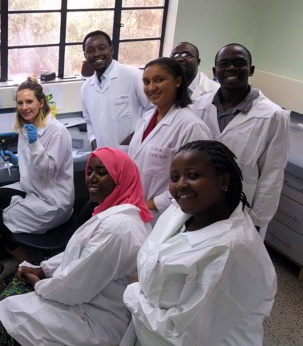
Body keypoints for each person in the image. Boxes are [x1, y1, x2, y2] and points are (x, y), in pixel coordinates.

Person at [0, 147, 152, 346]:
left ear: (121, 178)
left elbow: (75, 288)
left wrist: (37, 282)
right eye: (89, 171)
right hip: (87, 298)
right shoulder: (115, 213)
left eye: (102, 172)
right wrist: (44, 268)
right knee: (9, 299)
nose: (92, 178)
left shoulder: (118, 227)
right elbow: (79, 251)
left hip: (93, 317)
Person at [122, 140, 277, 346]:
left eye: (193, 175)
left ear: (223, 182)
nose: (180, 185)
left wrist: (134, 294)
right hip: (149, 327)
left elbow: (185, 337)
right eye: (175, 177)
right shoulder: (182, 210)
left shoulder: (232, 251)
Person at [0, 76, 74, 298]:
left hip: (52, 201)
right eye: (20, 103)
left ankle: (22, 268)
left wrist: (34, 144)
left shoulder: (56, 132)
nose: (24, 107)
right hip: (34, 188)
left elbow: (49, 170)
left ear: (41, 102)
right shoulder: (28, 126)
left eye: (29, 102)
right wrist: (18, 160)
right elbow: (33, 162)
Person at [191, 43, 290, 236]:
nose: (231, 68)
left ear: (251, 70)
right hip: (199, 204)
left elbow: (272, 174)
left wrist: (257, 221)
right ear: (215, 71)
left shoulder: (272, 115)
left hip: (243, 211)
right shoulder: (200, 106)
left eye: (239, 63)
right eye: (224, 63)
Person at [128, 57, 212, 214]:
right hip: (136, 207)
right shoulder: (146, 119)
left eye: (159, 80)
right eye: (146, 82)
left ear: (178, 81)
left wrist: (151, 204)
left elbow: (196, 183)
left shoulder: (191, 127)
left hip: (164, 214)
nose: (151, 88)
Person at [81, 30, 150, 151]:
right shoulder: (86, 88)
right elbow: (89, 122)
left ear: (111, 49)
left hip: (131, 152)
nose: (97, 54)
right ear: (85, 56)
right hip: (103, 157)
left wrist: (134, 137)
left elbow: (153, 110)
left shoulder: (134, 76)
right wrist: (93, 141)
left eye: (101, 48)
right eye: (90, 51)